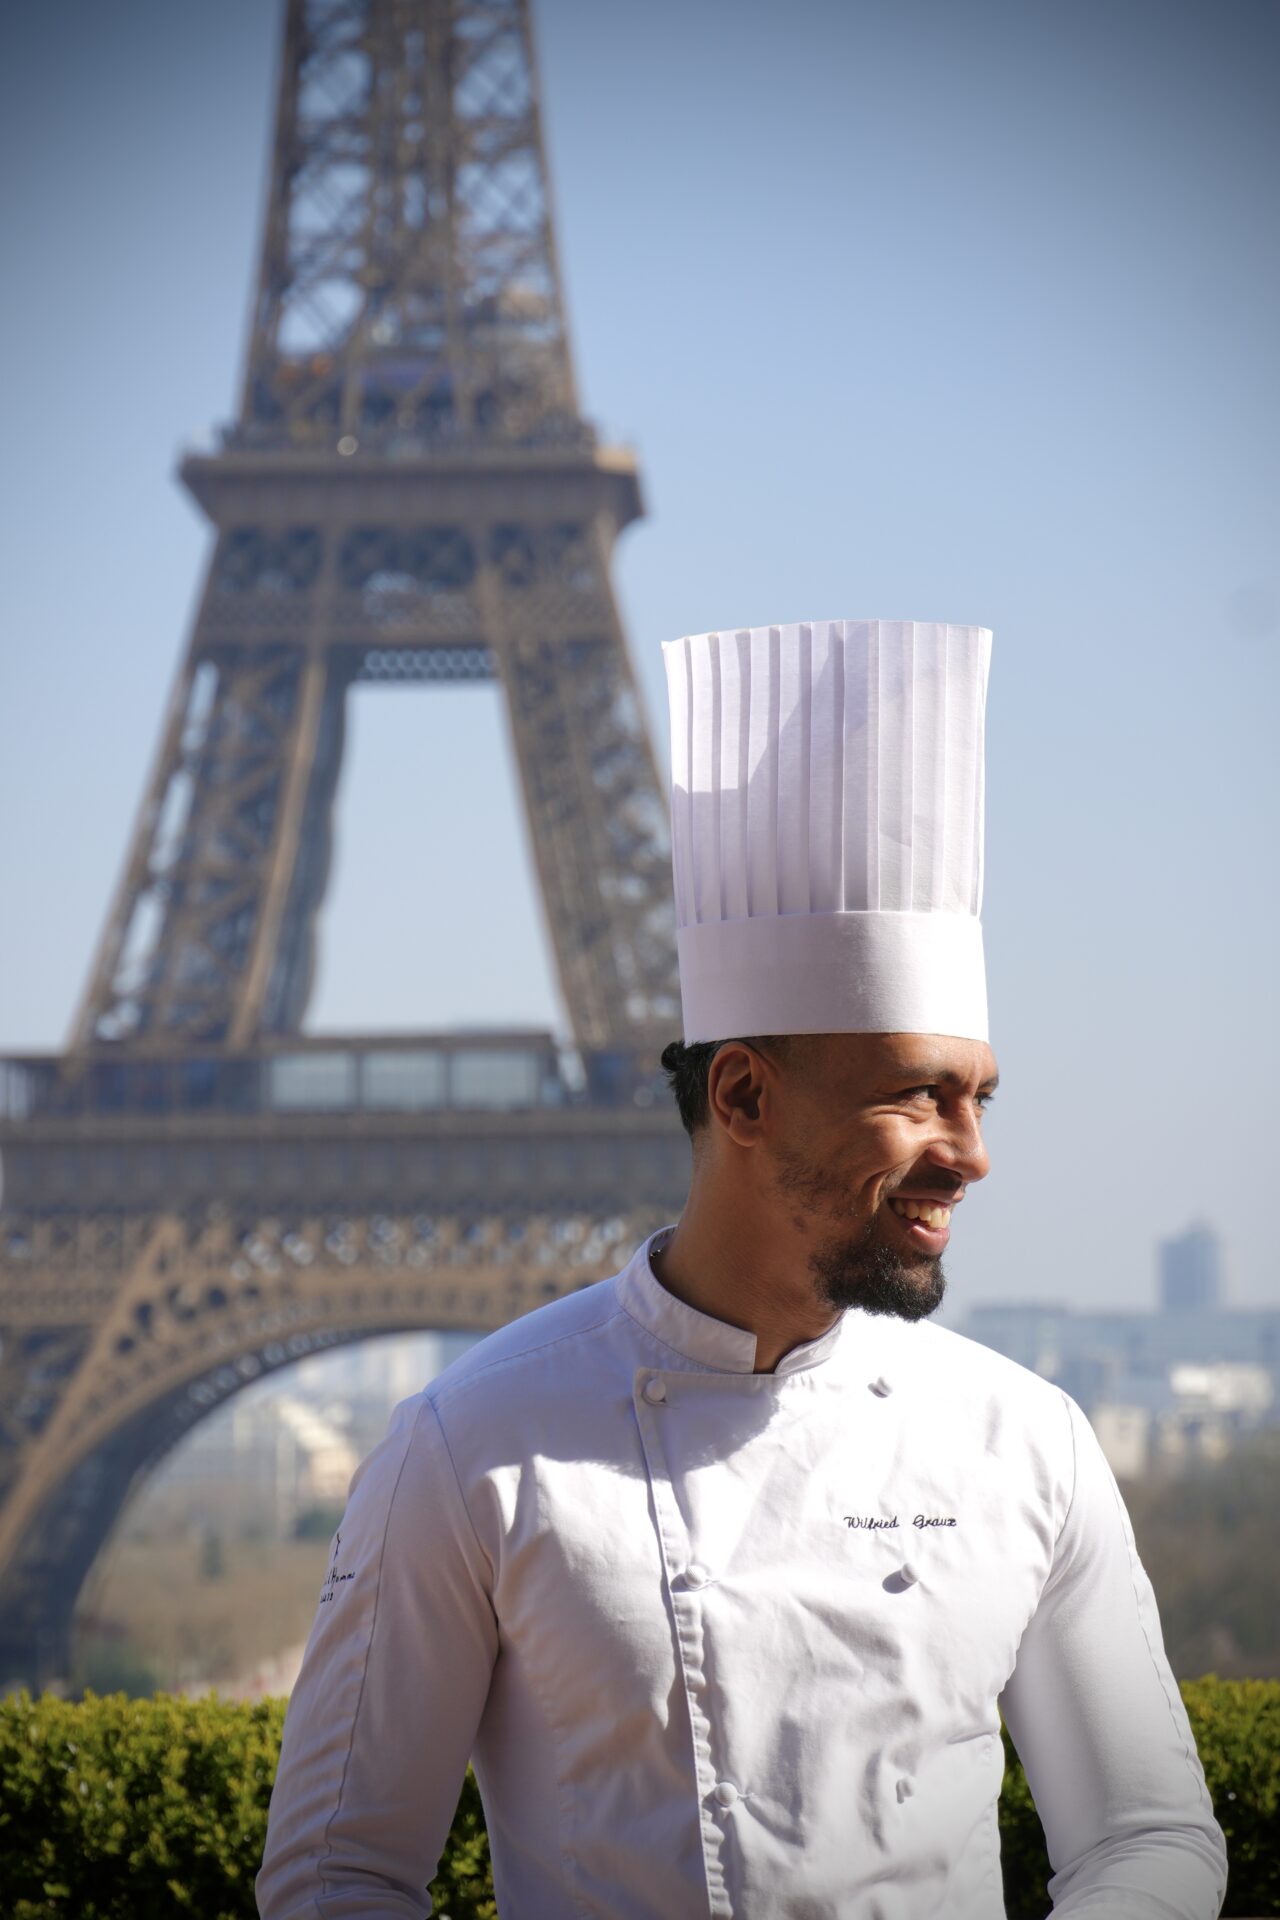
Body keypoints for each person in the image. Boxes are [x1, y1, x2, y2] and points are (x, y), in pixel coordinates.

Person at [257, 620, 1227, 1919]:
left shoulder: (1028, 1442)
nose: (972, 1156)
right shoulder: (470, 1447)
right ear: (745, 1093)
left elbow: (1151, 1839)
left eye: (981, 1099)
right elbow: (338, 1876)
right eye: (919, 1098)